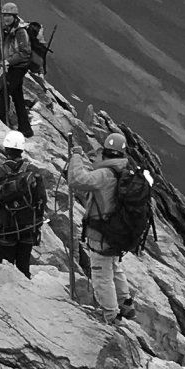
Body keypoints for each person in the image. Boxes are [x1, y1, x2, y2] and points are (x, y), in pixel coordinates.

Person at [69, 127, 135, 322]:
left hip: (101, 233)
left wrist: (76, 158)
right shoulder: (124, 170)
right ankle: (126, 303)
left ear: (105, 151)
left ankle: (110, 314)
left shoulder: (106, 174)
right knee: (114, 266)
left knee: (101, 273)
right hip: (118, 232)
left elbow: (77, 180)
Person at [0, 128, 46, 275]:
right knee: (23, 268)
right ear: (22, 149)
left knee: (6, 271)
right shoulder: (32, 171)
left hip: (7, 229)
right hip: (28, 229)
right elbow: (42, 200)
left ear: (5, 149)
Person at [0, 6, 40, 134]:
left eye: (9, 15)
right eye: (4, 15)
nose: (6, 18)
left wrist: (8, 61)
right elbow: (2, 45)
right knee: (17, 96)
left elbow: (25, 52)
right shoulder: (7, 29)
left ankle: (1, 122)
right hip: (15, 66)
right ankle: (25, 129)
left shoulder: (20, 32)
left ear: (14, 17)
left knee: (4, 91)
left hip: (19, 67)